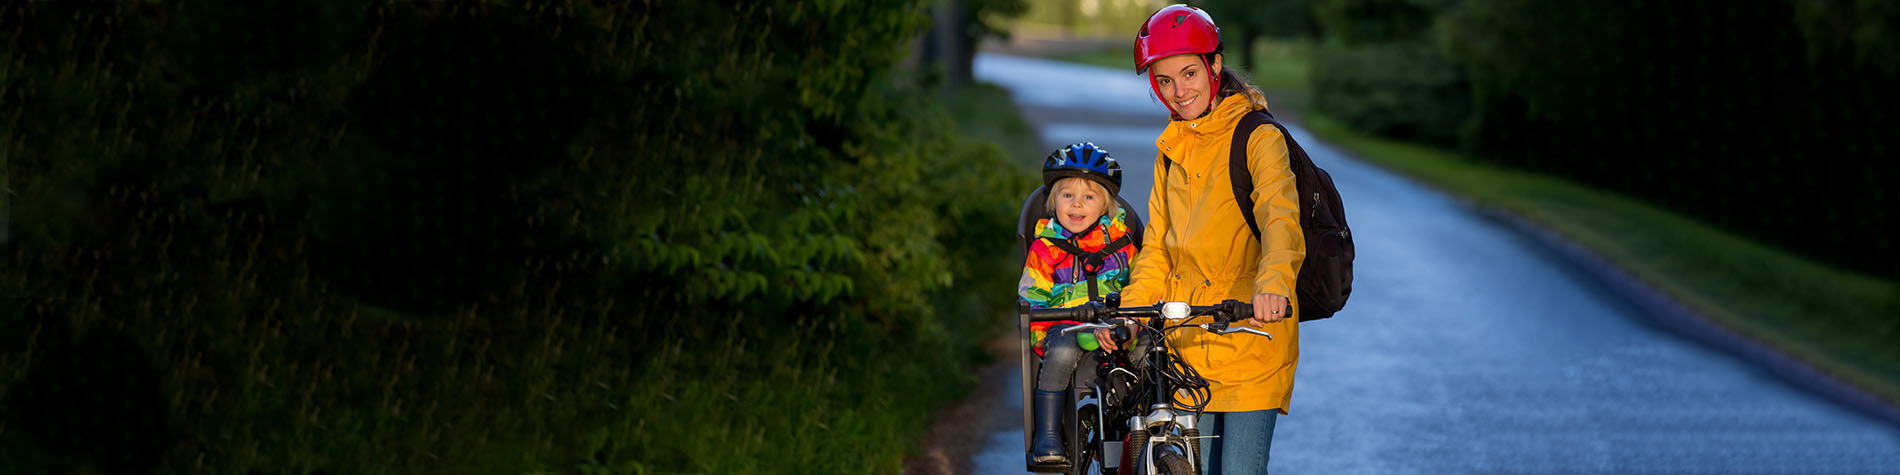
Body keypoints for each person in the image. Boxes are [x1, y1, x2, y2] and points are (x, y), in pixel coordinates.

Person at [1111, 4, 1306, 474]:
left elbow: (1281, 218)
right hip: (1184, 352)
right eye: (1164, 81)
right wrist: (1132, 313)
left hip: (1249, 337)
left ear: (1215, 65)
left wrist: (1274, 284)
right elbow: (1157, 247)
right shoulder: (1171, 149)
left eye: (1190, 73)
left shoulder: (1258, 137)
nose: (1179, 92)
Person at [1018, 142, 1138, 465]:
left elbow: (1139, 285)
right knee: (1061, 352)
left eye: (1088, 196)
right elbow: (1031, 296)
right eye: (1067, 195)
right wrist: (1044, 330)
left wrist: (1132, 321)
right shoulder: (1046, 248)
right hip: (1067, 325)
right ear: (1053, 201)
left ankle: (1147, 428)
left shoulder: (1121, 243)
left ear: (1105, 206)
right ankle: (1048, 433)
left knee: (1146, 351)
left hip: (1113, 325)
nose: (1076, 204)